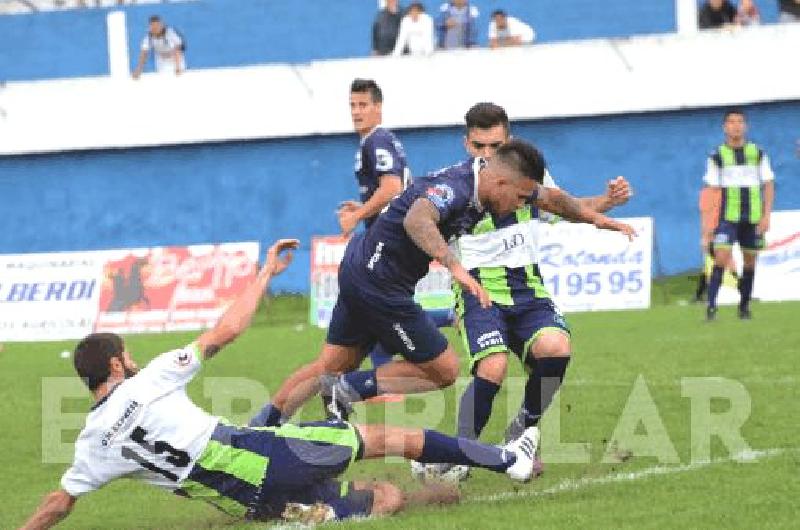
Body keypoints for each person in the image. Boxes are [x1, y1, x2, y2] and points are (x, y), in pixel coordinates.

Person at [18, 239, 542, 529]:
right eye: (125, 358)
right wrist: (266, 274)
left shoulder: (91, 447)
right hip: (264, 454)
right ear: (114, 367)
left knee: (384, 498)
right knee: (389, 439)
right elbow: (225, 332)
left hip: (241, 498)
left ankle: (306, 513)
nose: (131, 362)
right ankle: (506, 460)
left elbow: (56, 505)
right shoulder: (146, 382)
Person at [255, 139, 635, 434]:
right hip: (382, 284)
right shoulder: (455, 187)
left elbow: (553, 199)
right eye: (519, 198)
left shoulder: (498, 183)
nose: (521, 204)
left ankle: (258, 429)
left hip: (358, 268)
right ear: (501, 181)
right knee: (445, 370)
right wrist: (456, 268)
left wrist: (598, 219)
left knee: (330, 364)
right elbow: (418, 220)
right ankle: (347, 390)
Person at [431, 103, 631, 480]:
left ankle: (520, 432)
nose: (489, 156)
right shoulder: (457, 188)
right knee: (493, 366)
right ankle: (461, 454)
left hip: (528, 289)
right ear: (466, 144)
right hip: (480, 291)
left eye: (496, 145)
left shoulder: (527, 179)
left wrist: (606, 204)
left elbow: (565, 206)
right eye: (479, 146)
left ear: (509, 141)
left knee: (557, 347)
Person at [335, 79, 408, 372]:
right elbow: (386, 188)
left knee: (373, 299)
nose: (356, 111)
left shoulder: (377, 140)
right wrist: (363, 208)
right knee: (376, 300)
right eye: (352, 105)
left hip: (390, 235)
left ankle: (445, 318)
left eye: (363, 105)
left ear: (378, 107)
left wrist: (356, 216)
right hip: (386, 231)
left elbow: (392, 187)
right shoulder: (374, 141)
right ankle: (381, 366)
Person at [703, 109, 775, 321]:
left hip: (752, 217)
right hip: (728, 217)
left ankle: (744, 307)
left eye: (740, 121)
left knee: (750, 262)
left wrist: (766, 215)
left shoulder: (758, 153)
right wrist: (709, 225)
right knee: (721, 258)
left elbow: (768, 184)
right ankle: (711, 308)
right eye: (731, 122)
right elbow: (713, 191)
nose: (736, 126)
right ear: (724, 127)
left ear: (746, 126)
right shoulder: (717, 155)